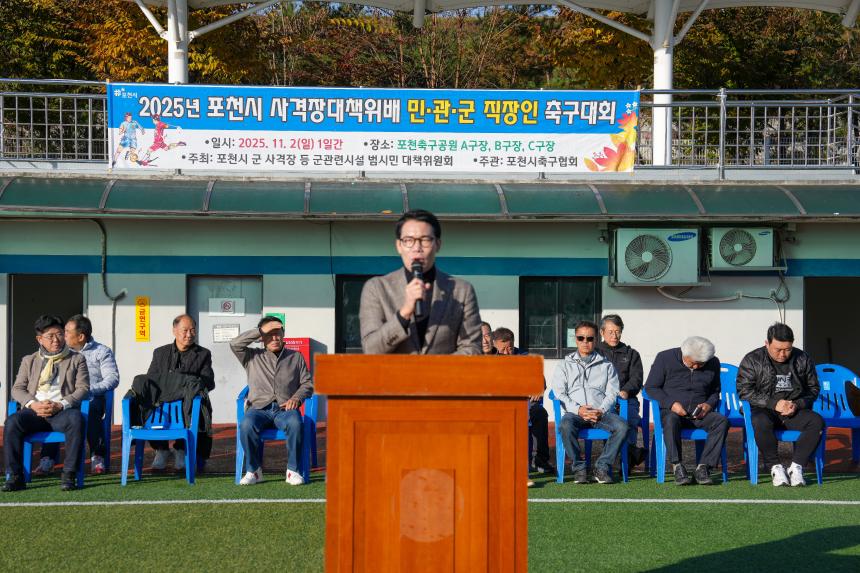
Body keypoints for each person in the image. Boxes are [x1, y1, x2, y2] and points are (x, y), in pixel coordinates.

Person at [359, 209, 482, 355]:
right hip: (393, 377)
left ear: (438, 244)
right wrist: (404, 313)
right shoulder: (377, 288)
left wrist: (431, 372)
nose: (417, 248)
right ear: (399, 246)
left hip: (443, 377)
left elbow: (472, 348)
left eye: (425, 240)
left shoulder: (462, 290)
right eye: (409, 240)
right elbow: (371, 349)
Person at [3, 315, 89, 491]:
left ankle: (69, 475)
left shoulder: (76, 359)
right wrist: (33, 404)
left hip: (61, 411)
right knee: (12, 422)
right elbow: (17, 389)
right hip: (35, 411)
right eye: (50, 336)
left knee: (76, 419)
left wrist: (61, 404)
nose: (56, 340)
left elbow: (83, 388)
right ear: (39, 339)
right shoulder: (30, 360)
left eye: (59, 334)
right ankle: (15, 476)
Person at [736, 323, 824, 487]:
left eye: (788, 349)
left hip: (793, 411)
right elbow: (744, 391)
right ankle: (775, 467)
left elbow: (813, 389)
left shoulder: (802, 358)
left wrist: (797, 404)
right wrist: (773, 404)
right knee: (760, 421)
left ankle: (796, 467)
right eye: (778, 349)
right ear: (767, 343)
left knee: (816, 421)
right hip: (764, 410)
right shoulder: (752, 359)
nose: (783, 354)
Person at [232, 316, 314, 486]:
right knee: (246, 424)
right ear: (262, 337)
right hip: (258, 410)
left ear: (284, 335)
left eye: (278, 334)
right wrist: (261, 330)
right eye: (270, 334)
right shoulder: (252, 356)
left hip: (284, 410)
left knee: (295, 422)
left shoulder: (295, 357)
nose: (275, 338)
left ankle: (292, 471)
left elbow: (307, 384)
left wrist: (296, 398)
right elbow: (235, 344)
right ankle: (254, 471)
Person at [36, 315, 119, 475]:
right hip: (64, 399)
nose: (62, 336)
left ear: (80, 336)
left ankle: (97, 456)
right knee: (51, 410)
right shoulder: (60, 352)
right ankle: (47, 459)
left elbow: (112, 379)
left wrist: (87, 390)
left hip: (91, 397)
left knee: (91, 408)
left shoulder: (101, 352)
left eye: (66, 332)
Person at [550, 320, 627, 484]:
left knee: (622, 426)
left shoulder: (606, 365)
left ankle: (602, 466)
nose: (585, 342)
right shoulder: (564, 365)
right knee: (565, 425)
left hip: (601, 413)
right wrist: (578, 410)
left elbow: (612, 392)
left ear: (596, 340)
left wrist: (601, 410)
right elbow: (559, 392)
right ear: (575, 339)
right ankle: (579, 468)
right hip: (575, 413)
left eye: (590, 338)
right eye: (581, 338)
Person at [644, 336, 728, 485]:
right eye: (693, 363)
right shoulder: (665, 358)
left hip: (700, 414)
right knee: (670, 419)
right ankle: (677, 466)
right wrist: (671, 404)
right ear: (684, 354)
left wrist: (708, 405)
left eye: (701, 364)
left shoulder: (713, 362)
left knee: (722, 421)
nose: (696, 367)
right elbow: (650, 388)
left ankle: (703, 467)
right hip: (673, 412)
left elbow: (715, 392)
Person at [140, 314, 214, 471]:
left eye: (193, 330)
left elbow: (208, 381)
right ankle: (161, 449)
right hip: (162, 403)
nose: (189, 334)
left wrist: (188, 385)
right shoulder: (160, 353)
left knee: (201, 407)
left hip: (188, 400)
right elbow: (151, 380)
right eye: (185, 330)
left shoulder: (203, 354)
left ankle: (181, 449)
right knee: (143, 404)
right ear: (174, 331)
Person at [493, 327, 555, 476]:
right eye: (504, 349)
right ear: (495, 345)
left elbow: (541, 381)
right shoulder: (490, 359)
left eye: (510, 348)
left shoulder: (525, 357)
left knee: (540, 413)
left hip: (525, 403)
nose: (508, 352)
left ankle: (540, 459)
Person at [596, 314, 646, 468]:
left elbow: (637, 379)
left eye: (617, 331)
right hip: (601, 400)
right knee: (610, 421)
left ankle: (624, 459)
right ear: (602, 332)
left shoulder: (631, 354)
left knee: (630, 419)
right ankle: (630, 456)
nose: (614, 335)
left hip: (625, 399)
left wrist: (625, 391)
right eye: (610, 332)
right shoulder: (595, 352)